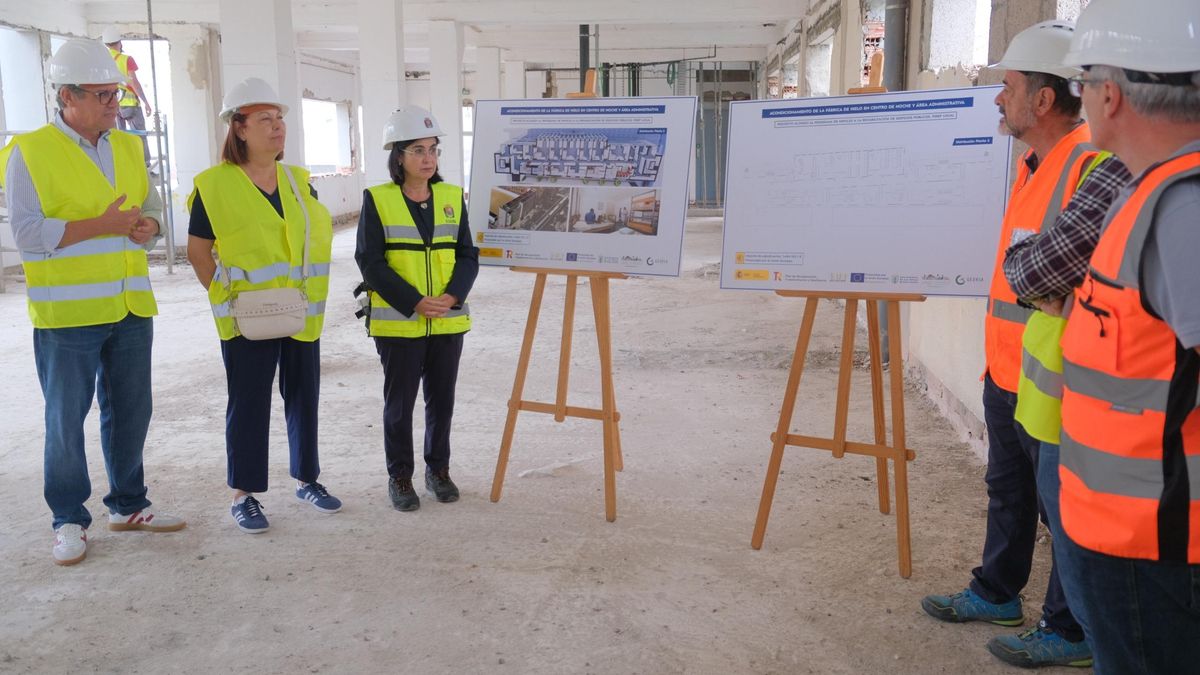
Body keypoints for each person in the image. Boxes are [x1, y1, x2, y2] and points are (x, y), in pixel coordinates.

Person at [920, 21, 1095, 669]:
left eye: (1010, 86)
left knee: (1062, 510)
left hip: (1054, 378)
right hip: (1007, 368)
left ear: (1044, 100)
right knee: (1009, 492)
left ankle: (1069, 629)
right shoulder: (1033, 163)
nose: (998, 97)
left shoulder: (1086, 165)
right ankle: (996, 592)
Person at [1053, 1, 1200, 671]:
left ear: (1109, 95)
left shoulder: (1185, 208)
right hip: (1122, 534)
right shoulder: (1146, 191)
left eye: (1081, 82)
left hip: (1158, 549)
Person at [0, 38, 185, 566]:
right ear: (67, 96)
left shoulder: (127, 145)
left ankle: (129, 505)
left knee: (131, 412)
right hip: (68, 315)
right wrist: (100, 225)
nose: (114, 103)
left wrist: (150, 227)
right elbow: (27, 233)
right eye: (103, 94)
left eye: (116, 93)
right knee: (66, 420)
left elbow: (152, 209)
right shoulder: (30, 152)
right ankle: (67, 518)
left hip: (130, 307)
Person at [186, 77, 340, 533]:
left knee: (304, 397)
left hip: (299, 310)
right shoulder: (214, 185)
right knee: (249, 402)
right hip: (247, 316)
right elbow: (198, 251)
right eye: (265, 120)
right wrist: (223, 295)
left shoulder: (298, 181)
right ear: (239, 128)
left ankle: (307, 479)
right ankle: (244, 494)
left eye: (279, 120)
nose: (278, 128)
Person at [355, 106, 479, 512]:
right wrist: (413, 301)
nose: (428, 159)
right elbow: (370, 262)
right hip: (400, 325)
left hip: (446, 321)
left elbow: (467, 254)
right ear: (398, 156)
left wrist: (453, 296)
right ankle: (400, 477)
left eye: (433, 149)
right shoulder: (378, 199)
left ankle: (438, 470)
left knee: (442, 402)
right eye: (418, 150)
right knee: (399, 407)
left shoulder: (451, 197)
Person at [101, 27, 152, 167]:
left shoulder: (103, 61)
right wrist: (146, 102)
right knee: (139, 135)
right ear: (119, 42)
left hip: (112, 105)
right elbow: (134, 83)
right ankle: (144, 165)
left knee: (118, 136)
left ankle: (124, 164)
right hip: (130, 105)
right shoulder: (126, 59)